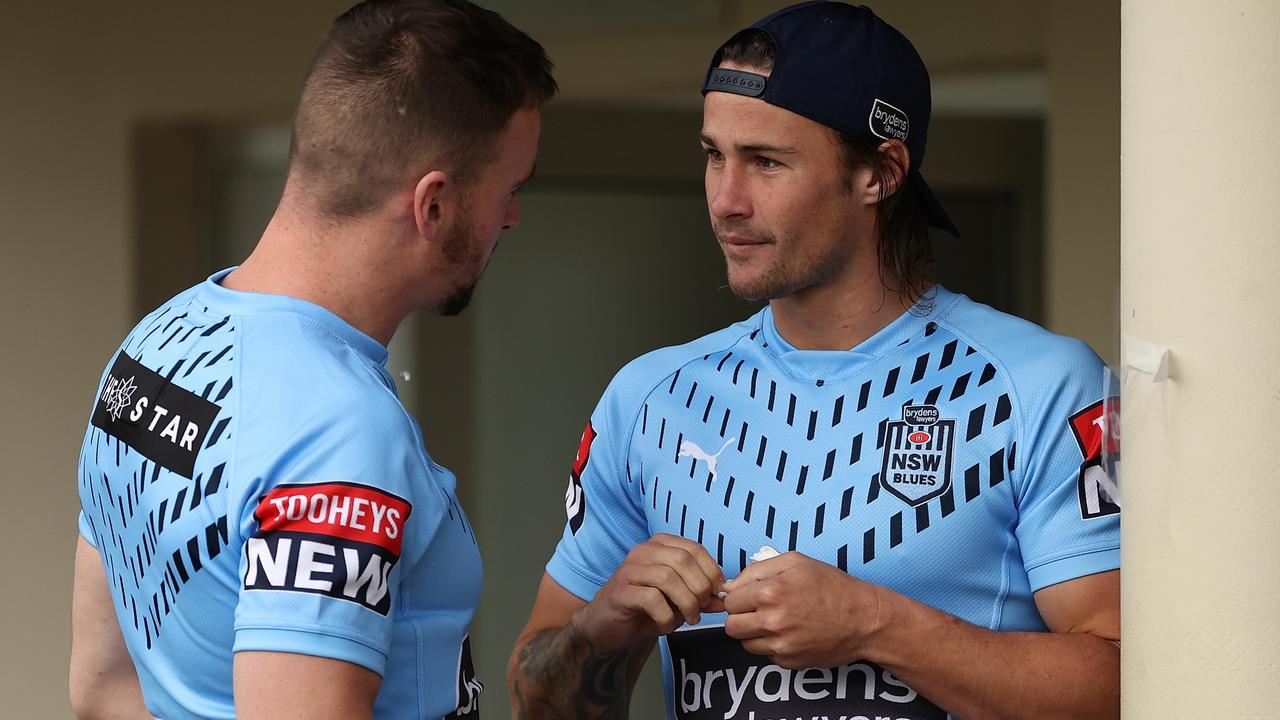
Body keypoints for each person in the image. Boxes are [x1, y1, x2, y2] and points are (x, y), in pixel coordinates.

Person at [507, 2, 1120, 718]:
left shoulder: (1039, 386)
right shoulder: (650, 400)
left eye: (766, 161)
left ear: (880, 174)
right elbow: (535, 702)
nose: (726, 201)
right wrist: (598, 628)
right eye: (714, 155)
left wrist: (874, 623)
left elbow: (1124, 686)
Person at [68, 1, 555, 718]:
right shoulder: (338, 432)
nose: (512, 218)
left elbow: (101, 690)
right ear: (435, 205)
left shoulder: (153, 348)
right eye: (508, 190)